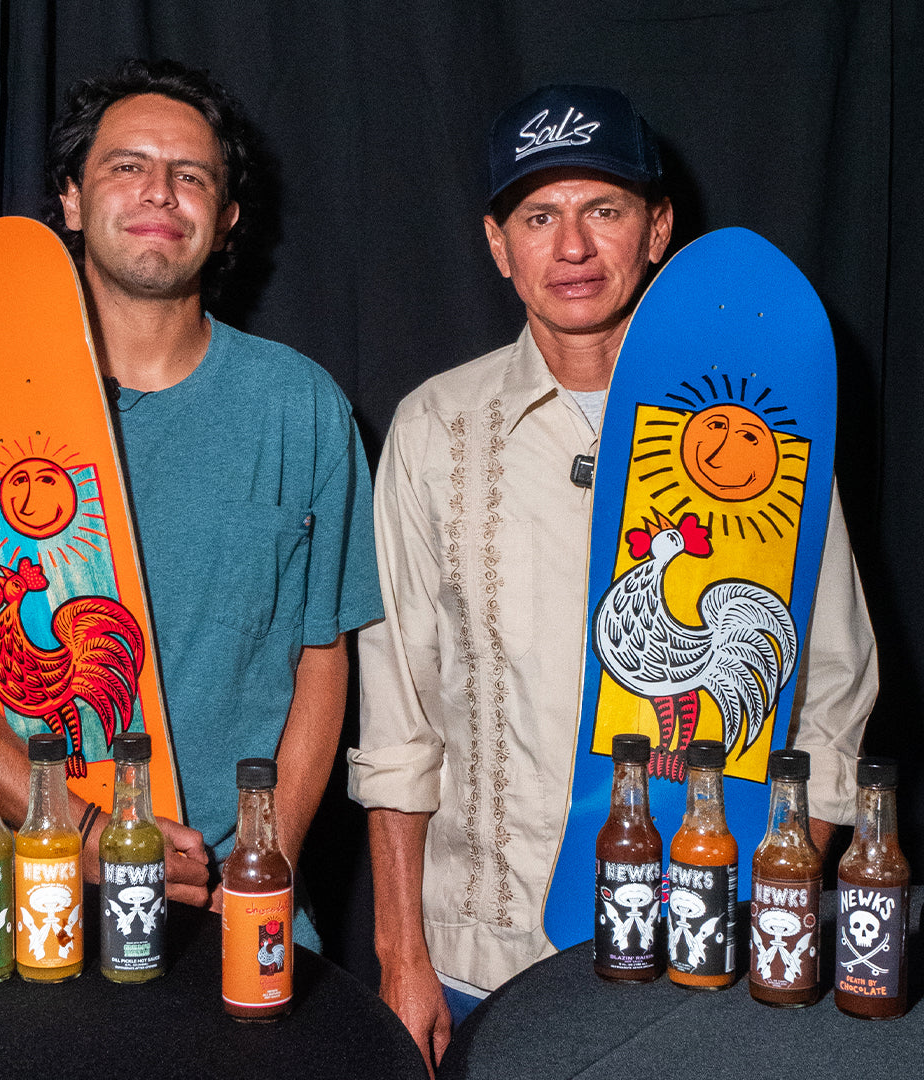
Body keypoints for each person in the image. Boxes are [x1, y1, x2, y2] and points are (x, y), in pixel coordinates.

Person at [349, 84, 876, 1070]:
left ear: (658, 228)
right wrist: (400, 955)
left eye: (605, 210)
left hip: (712, 944)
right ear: (499, 245)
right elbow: (398, 720)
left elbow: (837, 688)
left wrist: (787, 916)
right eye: (540, 217)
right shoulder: (434, 427)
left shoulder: (760, 428)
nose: (574, 248)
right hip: (481, 952)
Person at [0, 59, 382, 921]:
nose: (159, 191)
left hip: (233, 898)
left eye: (191, 176)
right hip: (34, 889)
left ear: (225, 222)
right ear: (71, 200)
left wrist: (266, 864)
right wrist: (81, 825)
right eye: (126, 165)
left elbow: (321, 662)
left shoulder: (303, 405)